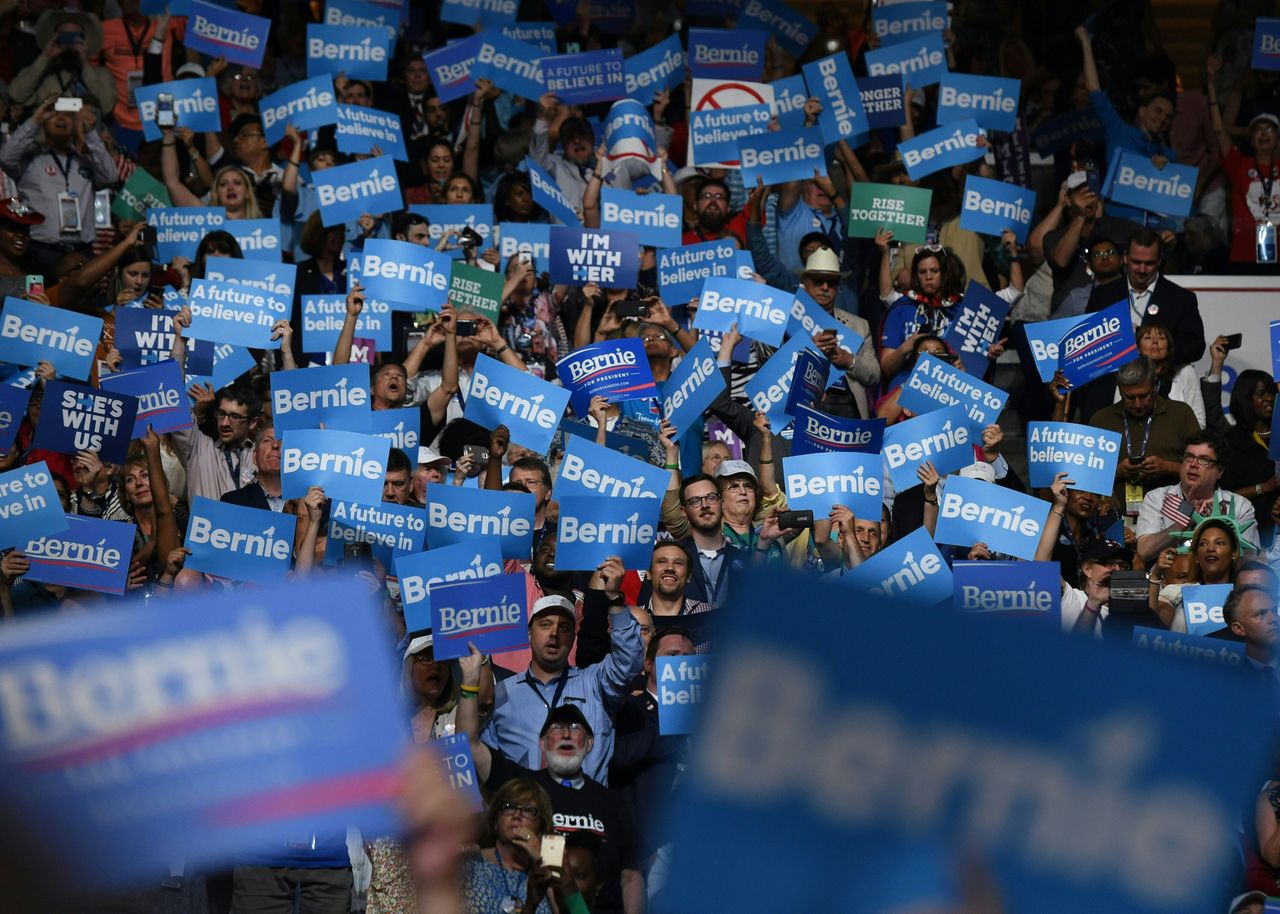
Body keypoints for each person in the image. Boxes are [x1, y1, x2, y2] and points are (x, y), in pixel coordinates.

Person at [461, 651, 645, 914]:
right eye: (557, 729)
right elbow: (468, 743)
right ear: (543, 743)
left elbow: (632, 877)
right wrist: (469, 682)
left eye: (575, 728)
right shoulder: (524, 789)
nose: (567, 733)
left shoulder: (613, 802)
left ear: (590, 743)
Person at [481, 566, 644, 785]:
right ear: (529, 633)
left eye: (564, 627)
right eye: (545, 624)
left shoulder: (596, 684)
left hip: (585, 811)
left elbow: (629, 661)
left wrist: (615, 599)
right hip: (527, 812)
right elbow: (485, 765)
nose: (554, 633)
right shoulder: (502, 694)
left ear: (573, 638)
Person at [0, 95, 118, 275]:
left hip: (82, 251)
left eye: (68, 115)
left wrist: (91, 133)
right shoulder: (30, 160)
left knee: (81, 303)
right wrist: (34, 121)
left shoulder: (86, 161)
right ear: (44, 120)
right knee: (36, 299)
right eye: (54, 113)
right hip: (39, 253)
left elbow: (111, 177)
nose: (61, 118)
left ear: (76, 121)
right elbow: (5, 158)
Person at [1134, 432, 1261, 564]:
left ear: (1220, 471)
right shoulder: (1158, 498)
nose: (1194, 464)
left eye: (1204, 460)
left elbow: (1250, 559)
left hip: (1223, 583)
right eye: (1189, 457)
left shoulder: (1240, 505)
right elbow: (1144, 551)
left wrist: (1222, 528)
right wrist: (1180, 524)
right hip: (1169, 582)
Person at [1089, 357, 1201, 507]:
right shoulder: (1101, 420)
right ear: (1119, 389)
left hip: (1171, 515)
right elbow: (1087, 479)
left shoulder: (1181, 414)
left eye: (1144, 396)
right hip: (1115, 516)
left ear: (1155, 385)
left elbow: (1204, 469)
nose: (1138, 404)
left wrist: (1166, 467)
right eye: (1129, 398)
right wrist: (1117, 471)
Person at [1086, 231, 1205, 366]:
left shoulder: (1181, 299)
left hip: (1160, 382)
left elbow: (1195, 346)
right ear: (1125, 258)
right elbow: (1087, 346)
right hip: (1112, 382)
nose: (1142, 270)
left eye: (1149, 263)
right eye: (1136, 262)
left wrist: (1157, 350)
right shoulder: (1102, 295)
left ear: (1159, 261)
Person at [1208, 53, 1280, 271]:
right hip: (1245, 253)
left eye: (1269, 130)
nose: (1263, 134)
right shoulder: (1240, 164)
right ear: (1250, 138)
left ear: (1277, 138)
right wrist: (1211, 82)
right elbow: (1220, 130)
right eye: (1258, 130)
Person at [456, 777, 568, 914]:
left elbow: (576, 910)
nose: (517, 815)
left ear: (541, 827)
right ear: (496, 822)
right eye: (509, 807)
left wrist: (544, 860)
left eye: (528, 810)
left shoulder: (548, 871)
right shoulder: (470, 861)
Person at [797, 247, 881, 419]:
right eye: (818, 281)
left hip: (848, 405)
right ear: (805, 283)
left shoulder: (859, 325)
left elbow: (874, 374)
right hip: (805, 405)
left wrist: (849, 360)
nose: (825, 287)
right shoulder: (789, 321)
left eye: (832, 282)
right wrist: (809, 350)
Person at [8, 11, 116, 115]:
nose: (70, 42)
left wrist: (85, 66)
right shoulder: (43, 74)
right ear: (54, 38)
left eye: (75, 36)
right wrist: (45, 57)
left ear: (85, 40)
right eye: (64, 36)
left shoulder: (102, 75)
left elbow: (107, 107)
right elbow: (16, 95)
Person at [1148, 516, 1244, 630]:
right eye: (1203, 544)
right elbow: (1154, 626)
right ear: (1197, 555)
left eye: (1220, 543)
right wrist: (1155, 576)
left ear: (1233, 552)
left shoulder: (1245, 597)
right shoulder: (1177, 591)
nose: (1210, 548)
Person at [670, 474, 748, 608]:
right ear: (684, 511)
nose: (705, 505)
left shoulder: (745, 559)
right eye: (695, 501)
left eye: (711, 498)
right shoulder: (671, 559)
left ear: (722, 503)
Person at [1223, 370, 1280, 545]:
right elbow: (1225, 497)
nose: (1269, 398)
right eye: (1262, 394)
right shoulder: (1231, 441)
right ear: (1246, 398)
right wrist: (1264, 487)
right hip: (1251, 532)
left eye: (1272, 393)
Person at [640, 542, 715, 651]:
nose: (670, 568)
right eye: (662, 561)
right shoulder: (633, 620)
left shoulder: (711, 615)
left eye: (678, 563)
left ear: (689, 576)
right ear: (648, 573)